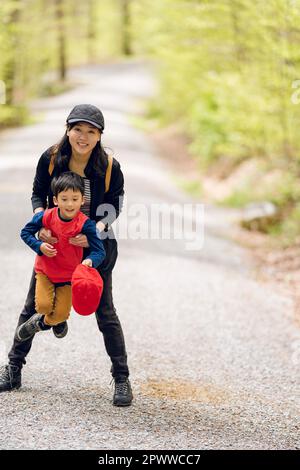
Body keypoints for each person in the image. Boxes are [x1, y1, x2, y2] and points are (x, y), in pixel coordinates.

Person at [0, 104, 133, 407]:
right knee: (32, 304)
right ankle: (13, 368)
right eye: (78, 129)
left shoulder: (110, 167)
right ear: (68, 129)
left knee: (105, 312)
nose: (83, 137)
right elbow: (37, 193)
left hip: (94, 247)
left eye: (91, 132)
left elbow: (115, 203)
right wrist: (42, 221)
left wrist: (97, 228)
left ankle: (122, 379)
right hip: (56, 244)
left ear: (99, 136)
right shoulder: (50, 159)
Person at [17, 171, 106, 342]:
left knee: (61, 313)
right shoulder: (45, 216)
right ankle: (51, 320)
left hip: (69, 277)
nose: (70, 204)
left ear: (82, 200)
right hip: (46, 271)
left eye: (74, 199)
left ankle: (40, 324)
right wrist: (39, 245)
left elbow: (99, 251)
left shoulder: (85, 224)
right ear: (56, 200)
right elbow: (25, 232)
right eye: (64, 199)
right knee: (43, 306)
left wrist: (89, 261)